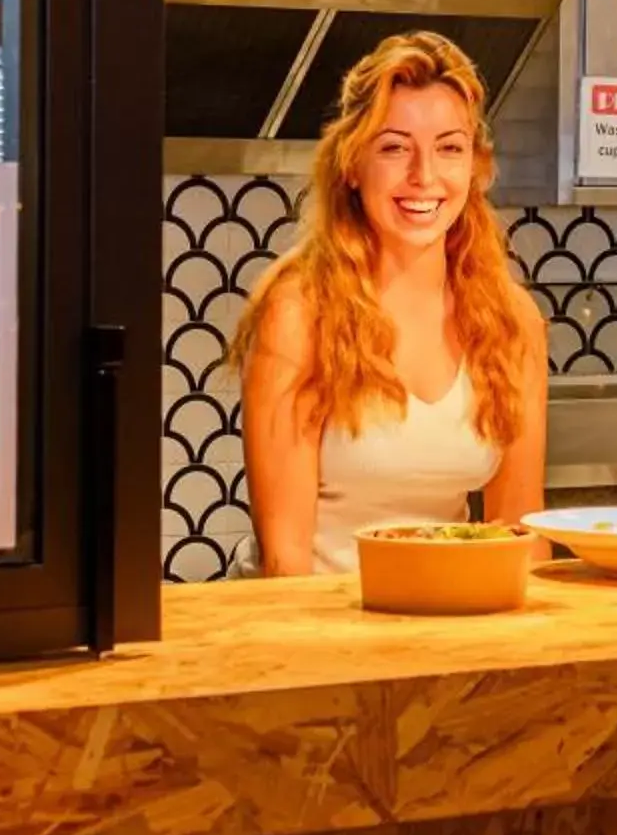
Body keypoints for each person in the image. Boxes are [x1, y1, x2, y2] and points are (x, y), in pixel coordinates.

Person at [233, 31, 549, 576]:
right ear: (352, 167)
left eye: (449, 148)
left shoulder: (511, 320)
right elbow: (284, 563)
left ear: (474, 168)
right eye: (394, 147)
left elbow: (521, 538)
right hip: (316, 627)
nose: (424, 176)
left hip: (444, 616)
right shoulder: (300, 312)